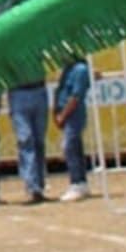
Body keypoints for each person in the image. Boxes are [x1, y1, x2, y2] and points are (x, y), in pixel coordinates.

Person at [53, 55, 92, 202]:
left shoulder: (80, 70)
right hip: (66, 113)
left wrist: (63, 115)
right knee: (75, 147)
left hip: (74, 114)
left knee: (70, 146)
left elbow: (75, 97)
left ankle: (77, 182)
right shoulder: (67, 69)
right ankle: (80, 182)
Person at [7, 75, 51, 204]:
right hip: (18, 92)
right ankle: (32, 187)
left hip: (39, 90)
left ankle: (39, 185)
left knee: (39, 141)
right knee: (26, 139)